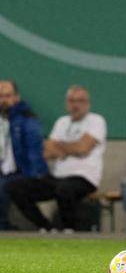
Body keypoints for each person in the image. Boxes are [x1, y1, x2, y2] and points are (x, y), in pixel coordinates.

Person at [8, 85, 107, 232]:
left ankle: (69, 229)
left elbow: (82, 148)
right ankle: (46, 227)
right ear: (67, 103)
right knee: (15, 187)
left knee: (65, 189)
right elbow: (47, 151)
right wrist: (71, 147)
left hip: (84, 178)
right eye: (72, 101)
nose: (76, 105)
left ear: (87, 103)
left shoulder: (96, 121)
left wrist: (60, 147)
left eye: (80, 101)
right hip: (57, 177)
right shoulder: (62, 122)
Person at [0, 80, 48, 230]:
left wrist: (35, 174)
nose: (3, 100)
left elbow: (34, 149)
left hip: (21, 171)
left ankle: (3, 227)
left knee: (3, 186)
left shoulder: (27, 119)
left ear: (16, 97)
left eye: (7, 96)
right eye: (0, 96)